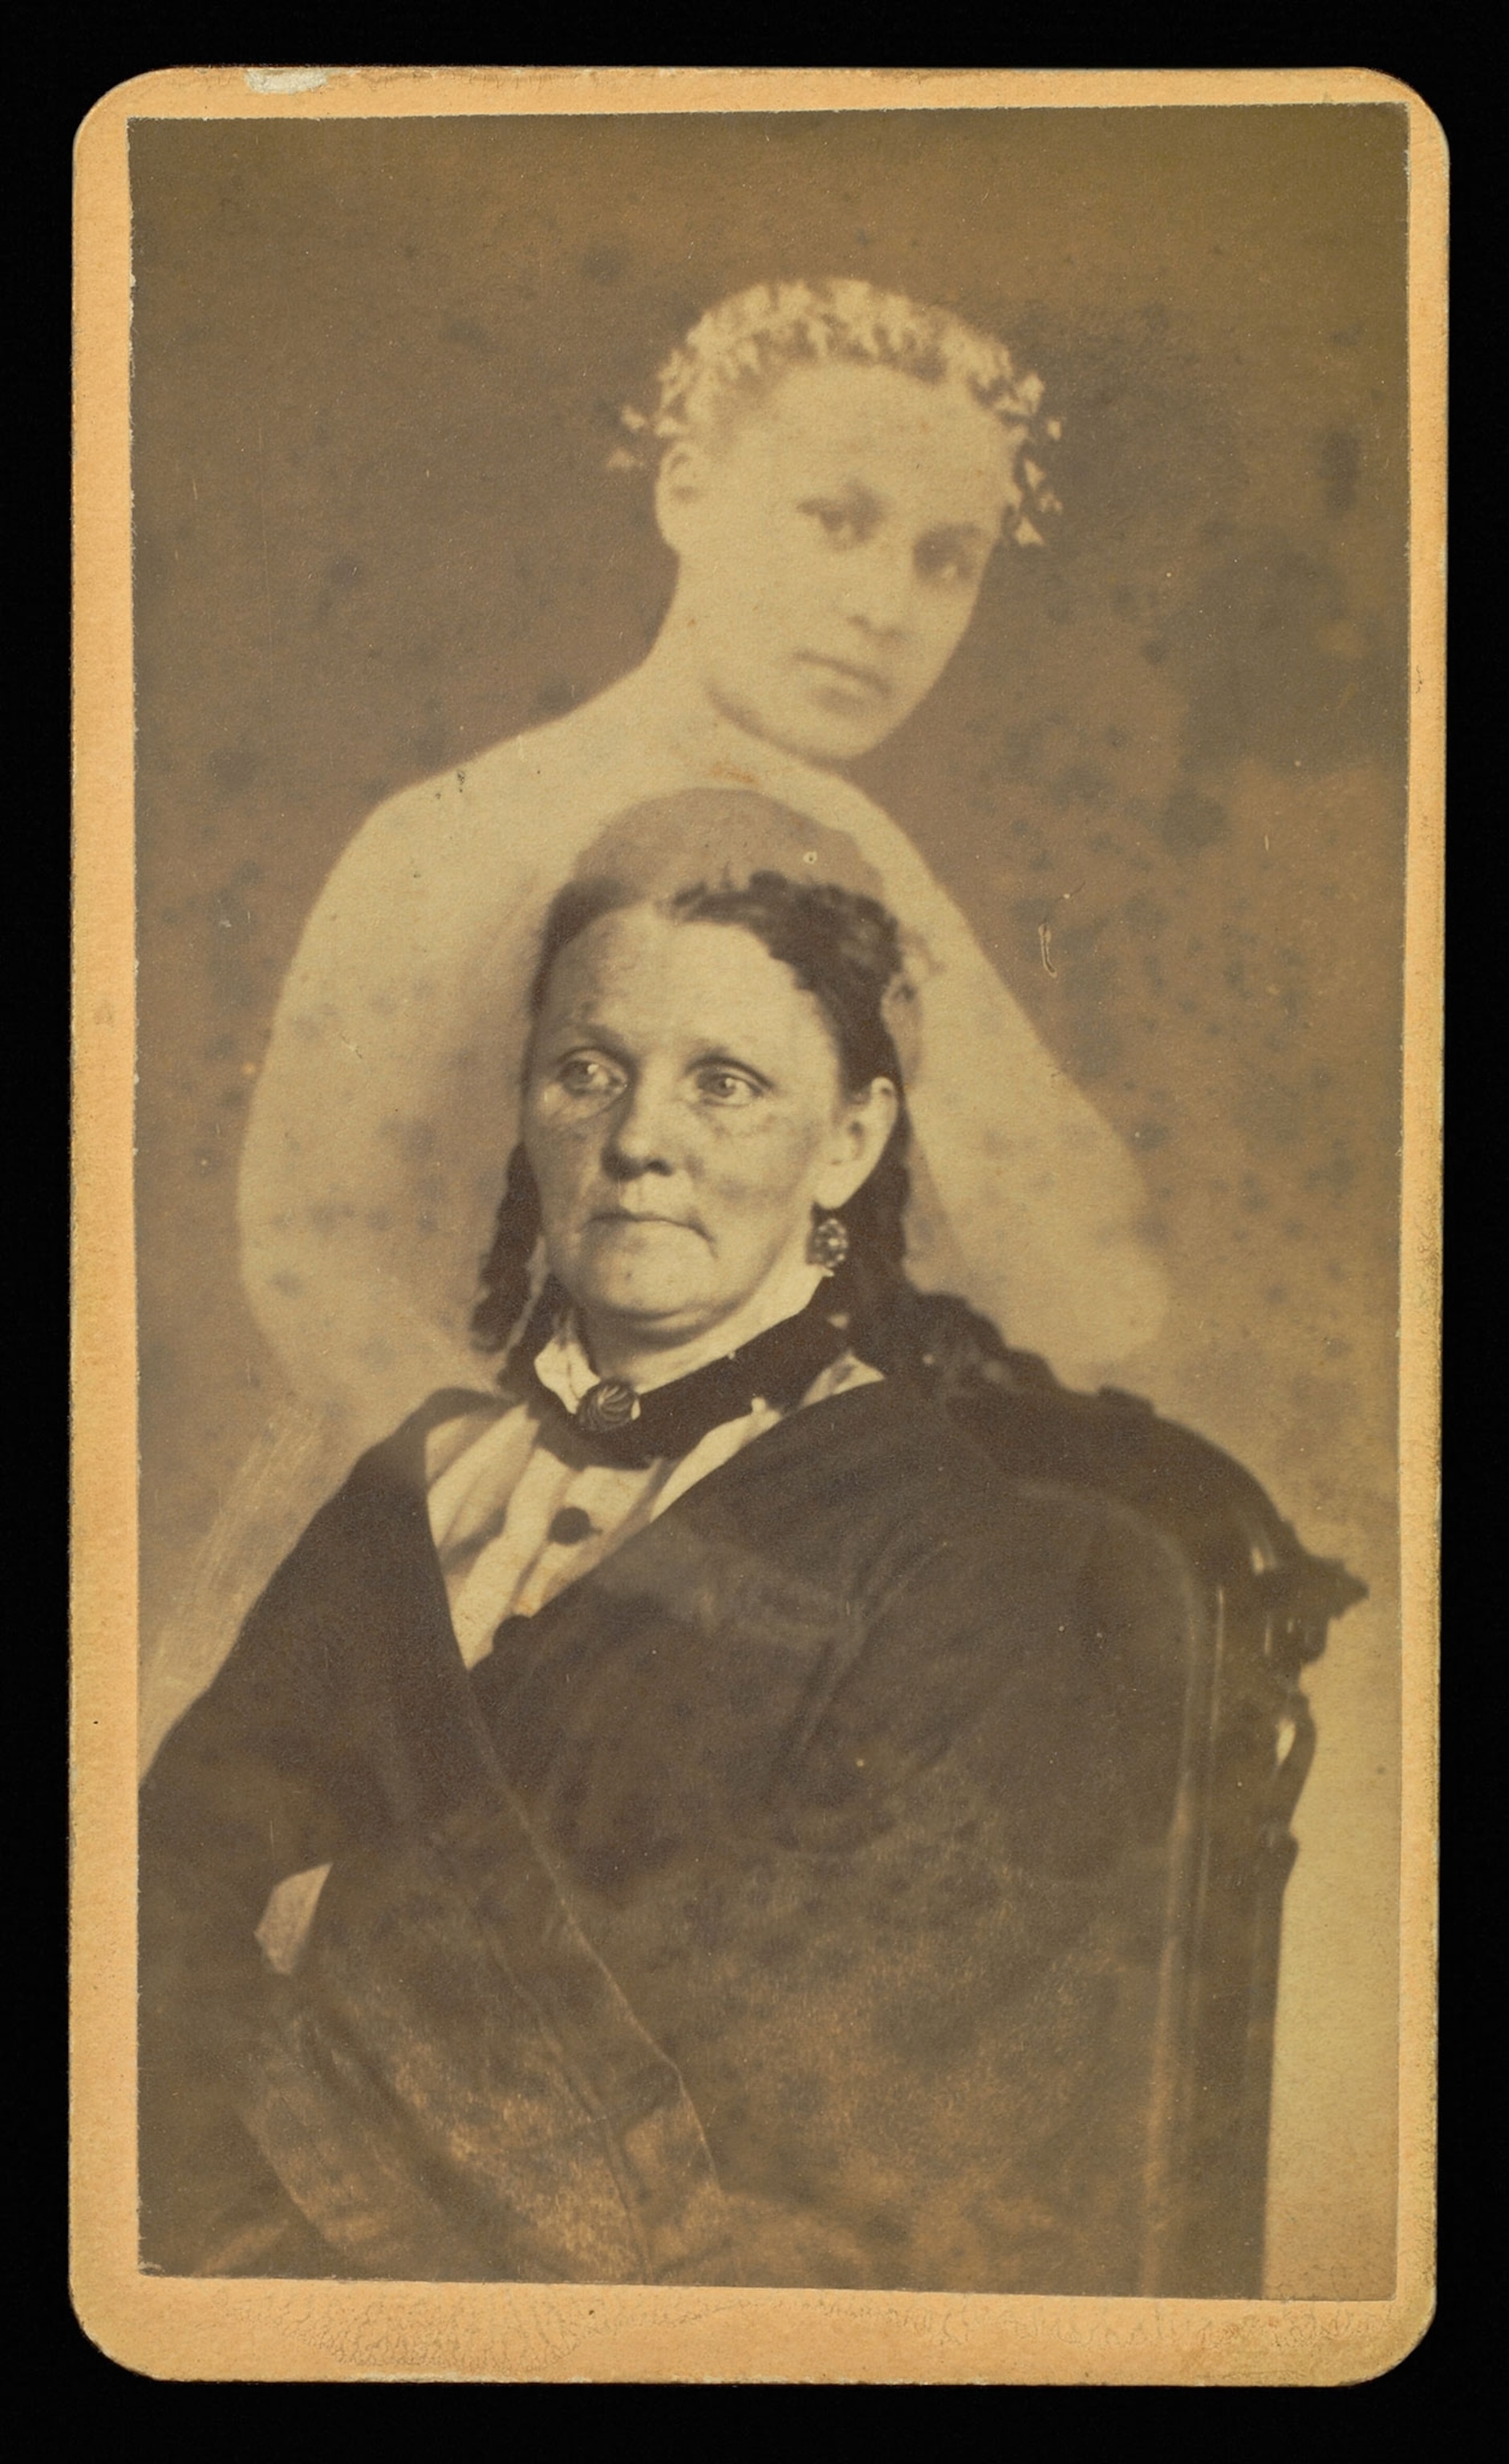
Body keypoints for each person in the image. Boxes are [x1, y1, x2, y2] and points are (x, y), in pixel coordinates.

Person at [139, 812, 1193, 2293]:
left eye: (726, 1085)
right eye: (589, 1072)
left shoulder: (961, 1564)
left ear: (850, 1142)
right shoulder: (430, 1490)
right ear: (528, 1109)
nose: (638, 1140)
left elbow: (832, 2109)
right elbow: (153, 1887)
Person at [139, 280, 1167, 1769]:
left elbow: (1105, 1296)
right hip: (444, 1565)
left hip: (783, 1584)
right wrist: (614, 1552)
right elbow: (308, 1253)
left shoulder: (866, 864)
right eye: (834, 519)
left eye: (946, 560)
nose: (884, 604)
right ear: (688, 489)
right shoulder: (469, 829)